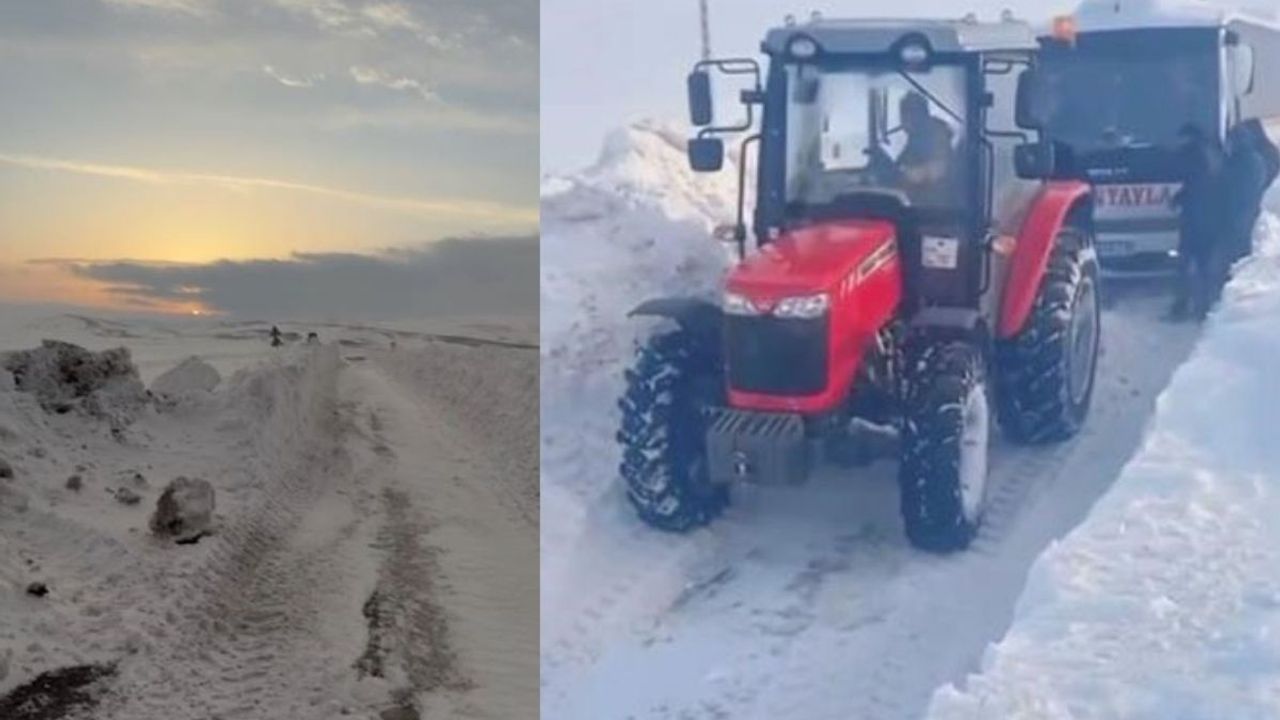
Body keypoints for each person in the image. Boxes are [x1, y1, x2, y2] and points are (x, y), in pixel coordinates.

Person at [1169, 124, 1224, 321]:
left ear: (1189, 138)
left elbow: (1194, 186)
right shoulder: (1211, 154)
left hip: (1195, 220)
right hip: (1206, 220)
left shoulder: (1194, 155)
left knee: (1187, 265)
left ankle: (1186, 308)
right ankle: (1202, 307)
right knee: (1203, 266)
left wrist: (1178, 199)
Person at [894, 92, 956, 205]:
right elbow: (900, 163)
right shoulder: (915, 138)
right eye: (903, 114)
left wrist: (906, 175)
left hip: (937, 209)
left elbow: (938, 169)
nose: (903, 120)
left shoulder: (936, 134)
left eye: (908, 114)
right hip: (920, 203)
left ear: (920, 114)